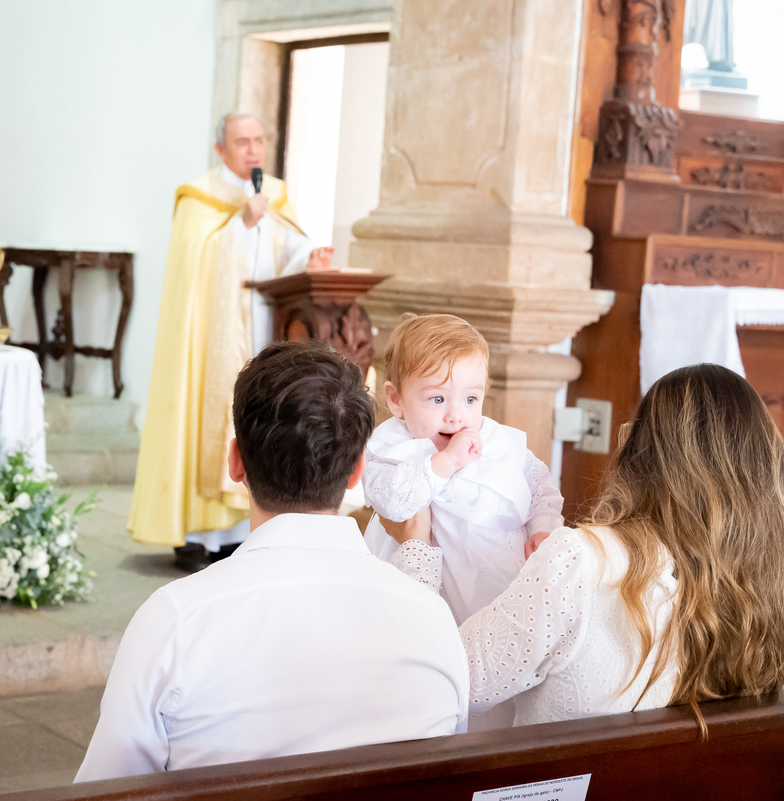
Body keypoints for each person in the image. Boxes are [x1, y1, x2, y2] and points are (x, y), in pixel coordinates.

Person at [76, 341, 468, 781]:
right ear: (357, 471)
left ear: (236, 463)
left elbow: (105, 788)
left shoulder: (176, 620)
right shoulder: (433, 617)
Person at [385, 363, 784, 730]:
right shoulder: (768, 607)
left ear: (638, 454)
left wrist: (416, 547)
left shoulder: (579, 562)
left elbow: (439, 681)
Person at [127, 112, 335, 572]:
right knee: (210, 416)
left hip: (265, 324)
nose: (254, 149)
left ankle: (239, 534)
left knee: (258, 418)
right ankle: (195, 536)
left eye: (259, 140)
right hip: (211, 336)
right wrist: (241, 222)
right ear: (220, 149)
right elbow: (195, 264)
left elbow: (288, 249)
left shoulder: (274, 193)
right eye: (242, 142)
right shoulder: (198, 197)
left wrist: (310, 256)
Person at [362, 313, 564, 625]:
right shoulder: (394, 448)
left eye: (470, 398)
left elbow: (539, 487)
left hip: (504, 591)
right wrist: (446, 462)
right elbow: (391, 502)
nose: (456, 416)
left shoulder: (496, 441)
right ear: (396, 399)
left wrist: (542, 528)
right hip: (428, 591)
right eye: (437, 399)